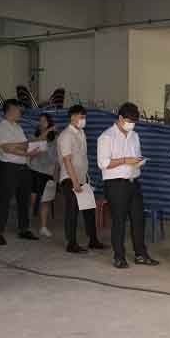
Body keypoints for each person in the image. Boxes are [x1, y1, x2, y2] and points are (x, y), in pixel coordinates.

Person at [97, 102, 159, 269]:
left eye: (134, 122)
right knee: (119, 221)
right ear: (120, 118)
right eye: (129, 121)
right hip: (116, 184)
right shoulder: (106, 137)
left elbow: (136, 156)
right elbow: (103, 163)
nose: (131, 124)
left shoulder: (134, 136)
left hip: (133, 182)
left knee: (139, 219)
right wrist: (125, 160)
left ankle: (141, 254)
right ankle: (119, 257)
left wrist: (138, 161)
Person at [59, 105, 105, 254]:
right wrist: (74, 182)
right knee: (72, 211)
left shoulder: (81, 133)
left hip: (83, 178)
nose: (83, 120)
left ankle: (93, 240)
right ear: (72, 117)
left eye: (84, 117)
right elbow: (67, 160)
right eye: (81, 117)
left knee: (89, 209)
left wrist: (83, 180)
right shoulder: (66, 135)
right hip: (70, 179)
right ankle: (71, 243)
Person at [0, 99, 41, 245]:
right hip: (9, 167)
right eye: (19, 110)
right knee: (5, 199)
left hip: (23, 167)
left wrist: (24, 148)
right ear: (11, 110)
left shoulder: (18, 127)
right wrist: (24, 148)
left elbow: (23, 146)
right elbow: (6, 148)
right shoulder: (1, 127)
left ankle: (24, 229)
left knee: (24, 200)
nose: (20, 112)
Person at [29, 113, 58, 238]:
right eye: (40, 121)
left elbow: (57, 158)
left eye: (44, 121)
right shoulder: (34, 136)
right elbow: (33, 146)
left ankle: (43, 227)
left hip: (48, 173)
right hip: (35, 170)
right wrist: (47, 131)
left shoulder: (55, 139)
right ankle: (27, 223)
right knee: (32, 199)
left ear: (49, 122)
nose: (42, 123)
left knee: (45, 200)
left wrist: (56, 174)